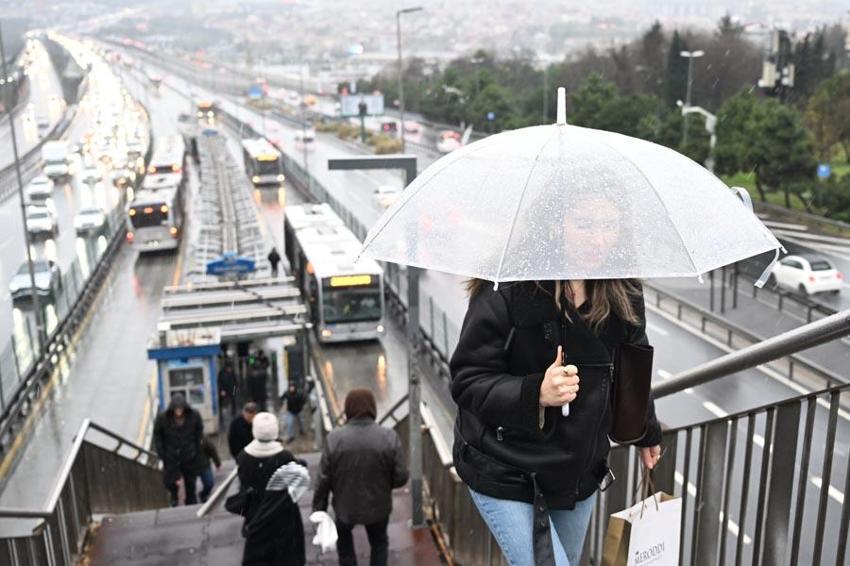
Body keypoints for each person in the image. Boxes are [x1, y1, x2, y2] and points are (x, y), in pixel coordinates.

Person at [450, 275, 663, 565]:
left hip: (575, 472)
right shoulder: (506, 287)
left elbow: (632, 365)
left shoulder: (622, 288)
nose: (596, 247)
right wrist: (535, 392)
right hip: (506, 467)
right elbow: (468, 380)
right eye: (585, 229)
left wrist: (645, 430)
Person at [313, 389, 409, 566]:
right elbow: (401, 476)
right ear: (372, 408)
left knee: (344, 541)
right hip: (378, 505)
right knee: (379, 543)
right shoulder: (388, 436)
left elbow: (323, 479)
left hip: (344, 507)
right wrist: (385, 484)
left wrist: (319, 510)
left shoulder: (334, 438)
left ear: (348, 409)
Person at [237, 411, 307, 566]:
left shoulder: (244, 458)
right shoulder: (285, 457)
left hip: (257, 516)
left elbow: (244, 487)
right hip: (284, 519)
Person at [153, 393, 205, 507]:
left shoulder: (194, 416)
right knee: (171, 482)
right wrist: (162, 452)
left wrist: (197, 449)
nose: (179, 411)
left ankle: (190, 502)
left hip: (189, 455)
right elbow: (157, 435)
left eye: (181, 409)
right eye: (176, 409)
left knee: (190, 482)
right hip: (171, 456)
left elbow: (199, 432)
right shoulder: (163, 418)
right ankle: (174, 497)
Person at [198, 436, 222, 503]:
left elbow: (212, 450)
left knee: (209, 483)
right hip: (190, 466)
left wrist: (217, 463)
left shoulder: (202, 438)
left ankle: (203, 494)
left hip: (204, 464)